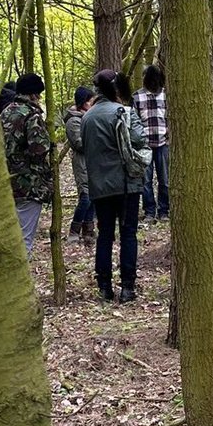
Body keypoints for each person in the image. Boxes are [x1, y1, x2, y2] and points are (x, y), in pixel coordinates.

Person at [83, 69, 146, 302]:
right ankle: (127, 286)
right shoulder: (125, 113)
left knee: (105, 235)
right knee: (128, 233)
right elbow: (140, 140)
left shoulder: (87, 118)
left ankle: (104, 286)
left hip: (100, 187)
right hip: (126, 184)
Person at [1, 72, 53, 255]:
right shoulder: (31, 115)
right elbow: (38, 150)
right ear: (32, 94)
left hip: (6, 181)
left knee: (10, 235)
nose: (39, 98)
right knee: (24, 240)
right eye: (38, 94)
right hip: (28, 183)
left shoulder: (6, 112)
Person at [132, 64, 169, 222]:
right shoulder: (137, 97)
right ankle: (149, 211)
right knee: (145, 180)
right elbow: (134, 121)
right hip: (144, 145)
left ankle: (164, 211)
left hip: (163, 143)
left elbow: (171, 118)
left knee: (165, 179)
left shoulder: (166, 95)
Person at [64, 85, 97, 246]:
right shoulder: (73, 121)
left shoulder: (88, 117)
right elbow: (79, 143)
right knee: (85, 197)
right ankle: (74, 230)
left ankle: (89, 230)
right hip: (82, 163)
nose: (92, 104)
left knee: (93, 197)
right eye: (90, 101)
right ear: (84, 102)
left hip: (93, 162)